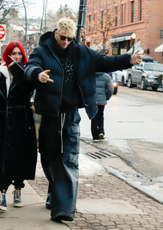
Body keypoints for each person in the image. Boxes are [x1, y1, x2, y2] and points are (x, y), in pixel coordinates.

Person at [25, 17, 143, 222]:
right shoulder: (42, 51)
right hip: (50, 115)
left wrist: (127, 60)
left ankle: (64, 209)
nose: (66, 42)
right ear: (56, 33)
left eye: (70, 39)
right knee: (49, 159)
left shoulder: (81, 52)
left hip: (71, 115)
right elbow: (30, 66)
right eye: (63, 38)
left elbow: (105, 62)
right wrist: (37, 75)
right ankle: (54, 193)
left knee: (68, 161)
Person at [0, 42, 37, 211]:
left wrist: (17, 69)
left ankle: (18, 189)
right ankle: (1, 194)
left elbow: (28, 90)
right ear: (7, 55)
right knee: (0, 159)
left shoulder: (26, 75)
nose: (17, 56)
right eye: (13, 53)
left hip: (21, 124)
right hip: (0, 125)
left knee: (19, 158)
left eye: (20, 53)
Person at [91, 72, 114, 142]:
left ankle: (95, 136)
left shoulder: (91, 76)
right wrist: (106, 97)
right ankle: (101, 131)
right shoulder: (106, 77)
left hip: (93, 101)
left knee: (93, 117)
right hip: (102, 102)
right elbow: (110, 89)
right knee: (101, 115)